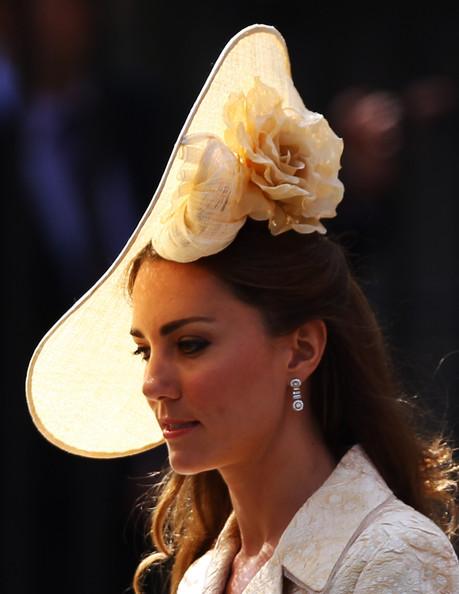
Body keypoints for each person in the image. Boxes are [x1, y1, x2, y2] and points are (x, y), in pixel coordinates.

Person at [26, 25, 458, 594]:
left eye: (190, 344)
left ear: (301, 349)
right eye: (143, 348)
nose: (153, 383)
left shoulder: (394, 559)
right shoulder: (203, 573)